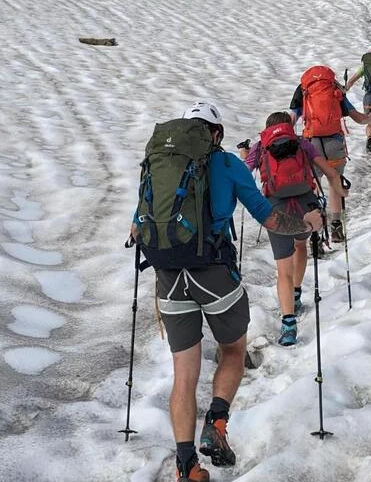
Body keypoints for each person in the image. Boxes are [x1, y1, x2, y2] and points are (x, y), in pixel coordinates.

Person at [133, 101, 323, 482]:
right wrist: (306, 221)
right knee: (233, 350)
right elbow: (269, 217)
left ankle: (186, 466)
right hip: (215, 273)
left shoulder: (158, 166)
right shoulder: (228, 165)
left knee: (183, 375)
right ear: (215, 134)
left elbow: (138, 227)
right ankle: (216, 423)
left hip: (170, 279)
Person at [240, 111, 347, 346]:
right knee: (301, 245)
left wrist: (246, 157)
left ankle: (288, 323)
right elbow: (329, 174)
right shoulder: (302, 144)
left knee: (283, 269)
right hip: (305, 204)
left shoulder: (260, 147)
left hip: (276, 209)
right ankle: (297, 293)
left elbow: (243, 175)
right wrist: (340, 192)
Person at [288, 66, 371, 243]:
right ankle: (336, 227)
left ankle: (316, 232)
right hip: (334, 142)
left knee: (314, 185)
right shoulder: (333, 87)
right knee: (335, 181)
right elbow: (357, 117)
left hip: (311, 143)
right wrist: (370, 118)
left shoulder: (304, 89)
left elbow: (291, 119)